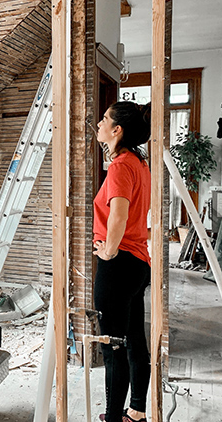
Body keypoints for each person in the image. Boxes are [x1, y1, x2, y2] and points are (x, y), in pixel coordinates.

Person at [93, 101, 152, 422]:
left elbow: (119, 212)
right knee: (133, 342)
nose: (99, 124)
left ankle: (114, 417)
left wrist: (109, 250)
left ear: (117, 130)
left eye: (104, 120)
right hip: (138, 263)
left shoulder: (120, 166)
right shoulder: (138, 163)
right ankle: (137, 412)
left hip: (119, 266)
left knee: (112, 347)